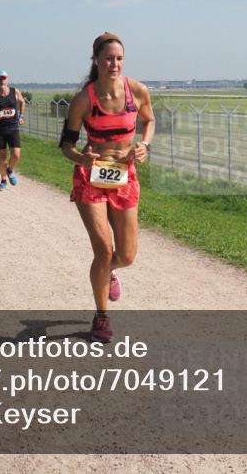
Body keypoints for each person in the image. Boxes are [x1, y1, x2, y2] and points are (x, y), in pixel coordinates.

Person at [59, 32, 154, 342]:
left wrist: (145, 145)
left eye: (119, 58)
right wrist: (80, 159)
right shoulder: (84, 99)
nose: (115, 63)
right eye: (109, 58)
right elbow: (66, 144)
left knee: (126, 256)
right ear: (97, 61)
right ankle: (101, 317)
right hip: (92, 177)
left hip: (125, 176)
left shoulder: (137, 91)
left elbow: (149, 121)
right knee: (103, 250)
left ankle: (109, 271)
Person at [0, 70, 27, 190]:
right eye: (0, 78)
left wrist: (21, 116)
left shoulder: (14, 92)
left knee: (16, 156)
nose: (2, 80)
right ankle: (3, 180)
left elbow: (23, 102)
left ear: (7, 80)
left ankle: (10, 170)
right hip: (0, 130)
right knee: (3, 157)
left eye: (4, 78)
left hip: (13, 128)